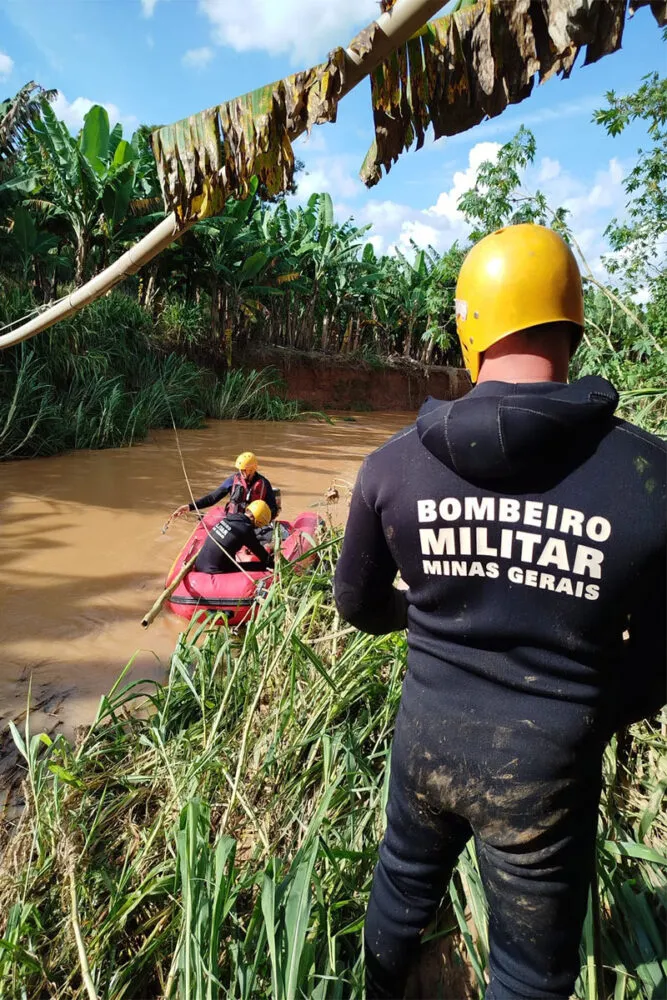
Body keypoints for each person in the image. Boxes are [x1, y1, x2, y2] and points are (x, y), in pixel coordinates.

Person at [333, 223, 666, 1000]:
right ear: (573, 330)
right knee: (527, 970)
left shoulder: (391, 467)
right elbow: (659, 660)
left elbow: (354, 602)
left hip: (425, 736)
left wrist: (423, 624)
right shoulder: (650, 478)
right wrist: (583, 708)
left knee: (401, 889)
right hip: (545, 767)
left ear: (469, 330)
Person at [171, 451, 278, 521]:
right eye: (240, 470)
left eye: (244, 470)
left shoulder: (264, 484)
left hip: (252, 525)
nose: (241, 472)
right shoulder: (233, 480)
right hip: (232, 520)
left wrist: (263, 522)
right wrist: (190, 507)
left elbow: (273, 509)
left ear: (252, 469)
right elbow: (212, 498)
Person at [195, 499, 274, 575]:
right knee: (261, 566)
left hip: (199, 564)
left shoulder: (230, 518)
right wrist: (272, 564)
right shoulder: (245, 528)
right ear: (257, 520)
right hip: (213, 570)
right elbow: (260, 553)